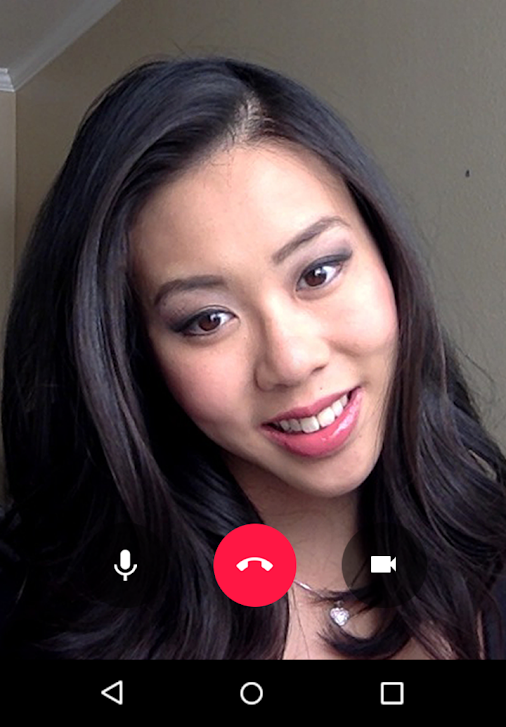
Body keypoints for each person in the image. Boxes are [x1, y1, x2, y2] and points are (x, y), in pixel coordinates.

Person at [0, 57, 505, 660]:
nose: (291, 361)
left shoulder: (491, 552)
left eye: (318, 272)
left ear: (387, 257)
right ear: (133, 356)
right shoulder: (46, 610)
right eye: (207, 320)